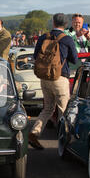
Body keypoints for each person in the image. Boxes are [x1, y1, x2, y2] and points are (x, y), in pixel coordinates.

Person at [28, 13, 78, 150]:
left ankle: (34, 132)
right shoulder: (67, 39)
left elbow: (35, 55)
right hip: (60, 78)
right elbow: (74, 59)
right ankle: (65, 140)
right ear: (66, 25)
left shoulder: (44, 37)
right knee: (64, 110)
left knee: (48, 108)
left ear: (53, 23)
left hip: (45, 78)